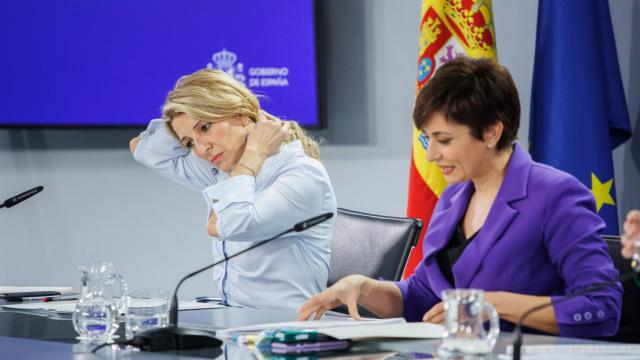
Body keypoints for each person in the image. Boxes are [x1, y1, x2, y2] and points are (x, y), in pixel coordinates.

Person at [298, 57, 622, 338]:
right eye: (428, 140)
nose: (433, 155)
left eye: (444, 140)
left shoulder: (555, 195)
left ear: (492, 132)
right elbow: (424, 294)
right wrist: (363, 288)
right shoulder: (454, 198)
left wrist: (492, 304)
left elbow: (602, 307)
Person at [130, 69, 337, 310]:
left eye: (205, 127)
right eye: (189, 142)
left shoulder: (303, 174)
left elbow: (230, 224)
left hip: (286, 326)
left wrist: (252, 154)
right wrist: (178, 116)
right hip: (234, 319)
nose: (201, 150)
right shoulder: (225, 168)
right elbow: (141, 149)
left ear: (240, 114)